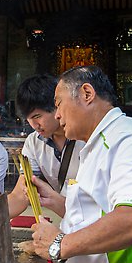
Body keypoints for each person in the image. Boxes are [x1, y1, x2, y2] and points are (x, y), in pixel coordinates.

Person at [31, 65, 132, 263]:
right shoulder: (97, 144)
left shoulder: (125, 136)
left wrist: (59, 244)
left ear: (87, 93)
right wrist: (57, 201)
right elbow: (100, 212)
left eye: (58, 103)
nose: (57, 115)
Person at [7, 74, 85, 219]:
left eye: (37, 117)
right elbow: (20, 195)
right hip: (69, 222)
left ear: (56, 106)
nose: (34, 125)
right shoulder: (34, 142)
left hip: (97, 221)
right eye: (28, 119)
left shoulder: (85, 136)